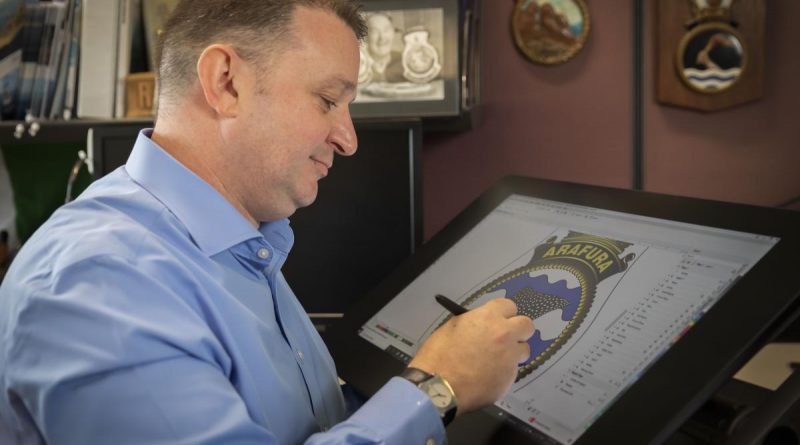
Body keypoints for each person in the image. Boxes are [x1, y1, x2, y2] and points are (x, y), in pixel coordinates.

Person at [0, 1, 535, 444]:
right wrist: (435, 387)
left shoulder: (241, 245)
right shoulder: (100, 281)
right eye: (328, 100)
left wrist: (419, 380)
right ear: (226, 82)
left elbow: (305, 424)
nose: (348, 139)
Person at [364, 12, 405, 83]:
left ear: (393, 33)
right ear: (365, 37)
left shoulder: (404, 60)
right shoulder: (358, 64)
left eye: (386, 30)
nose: (382, 37)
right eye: (375, 31)